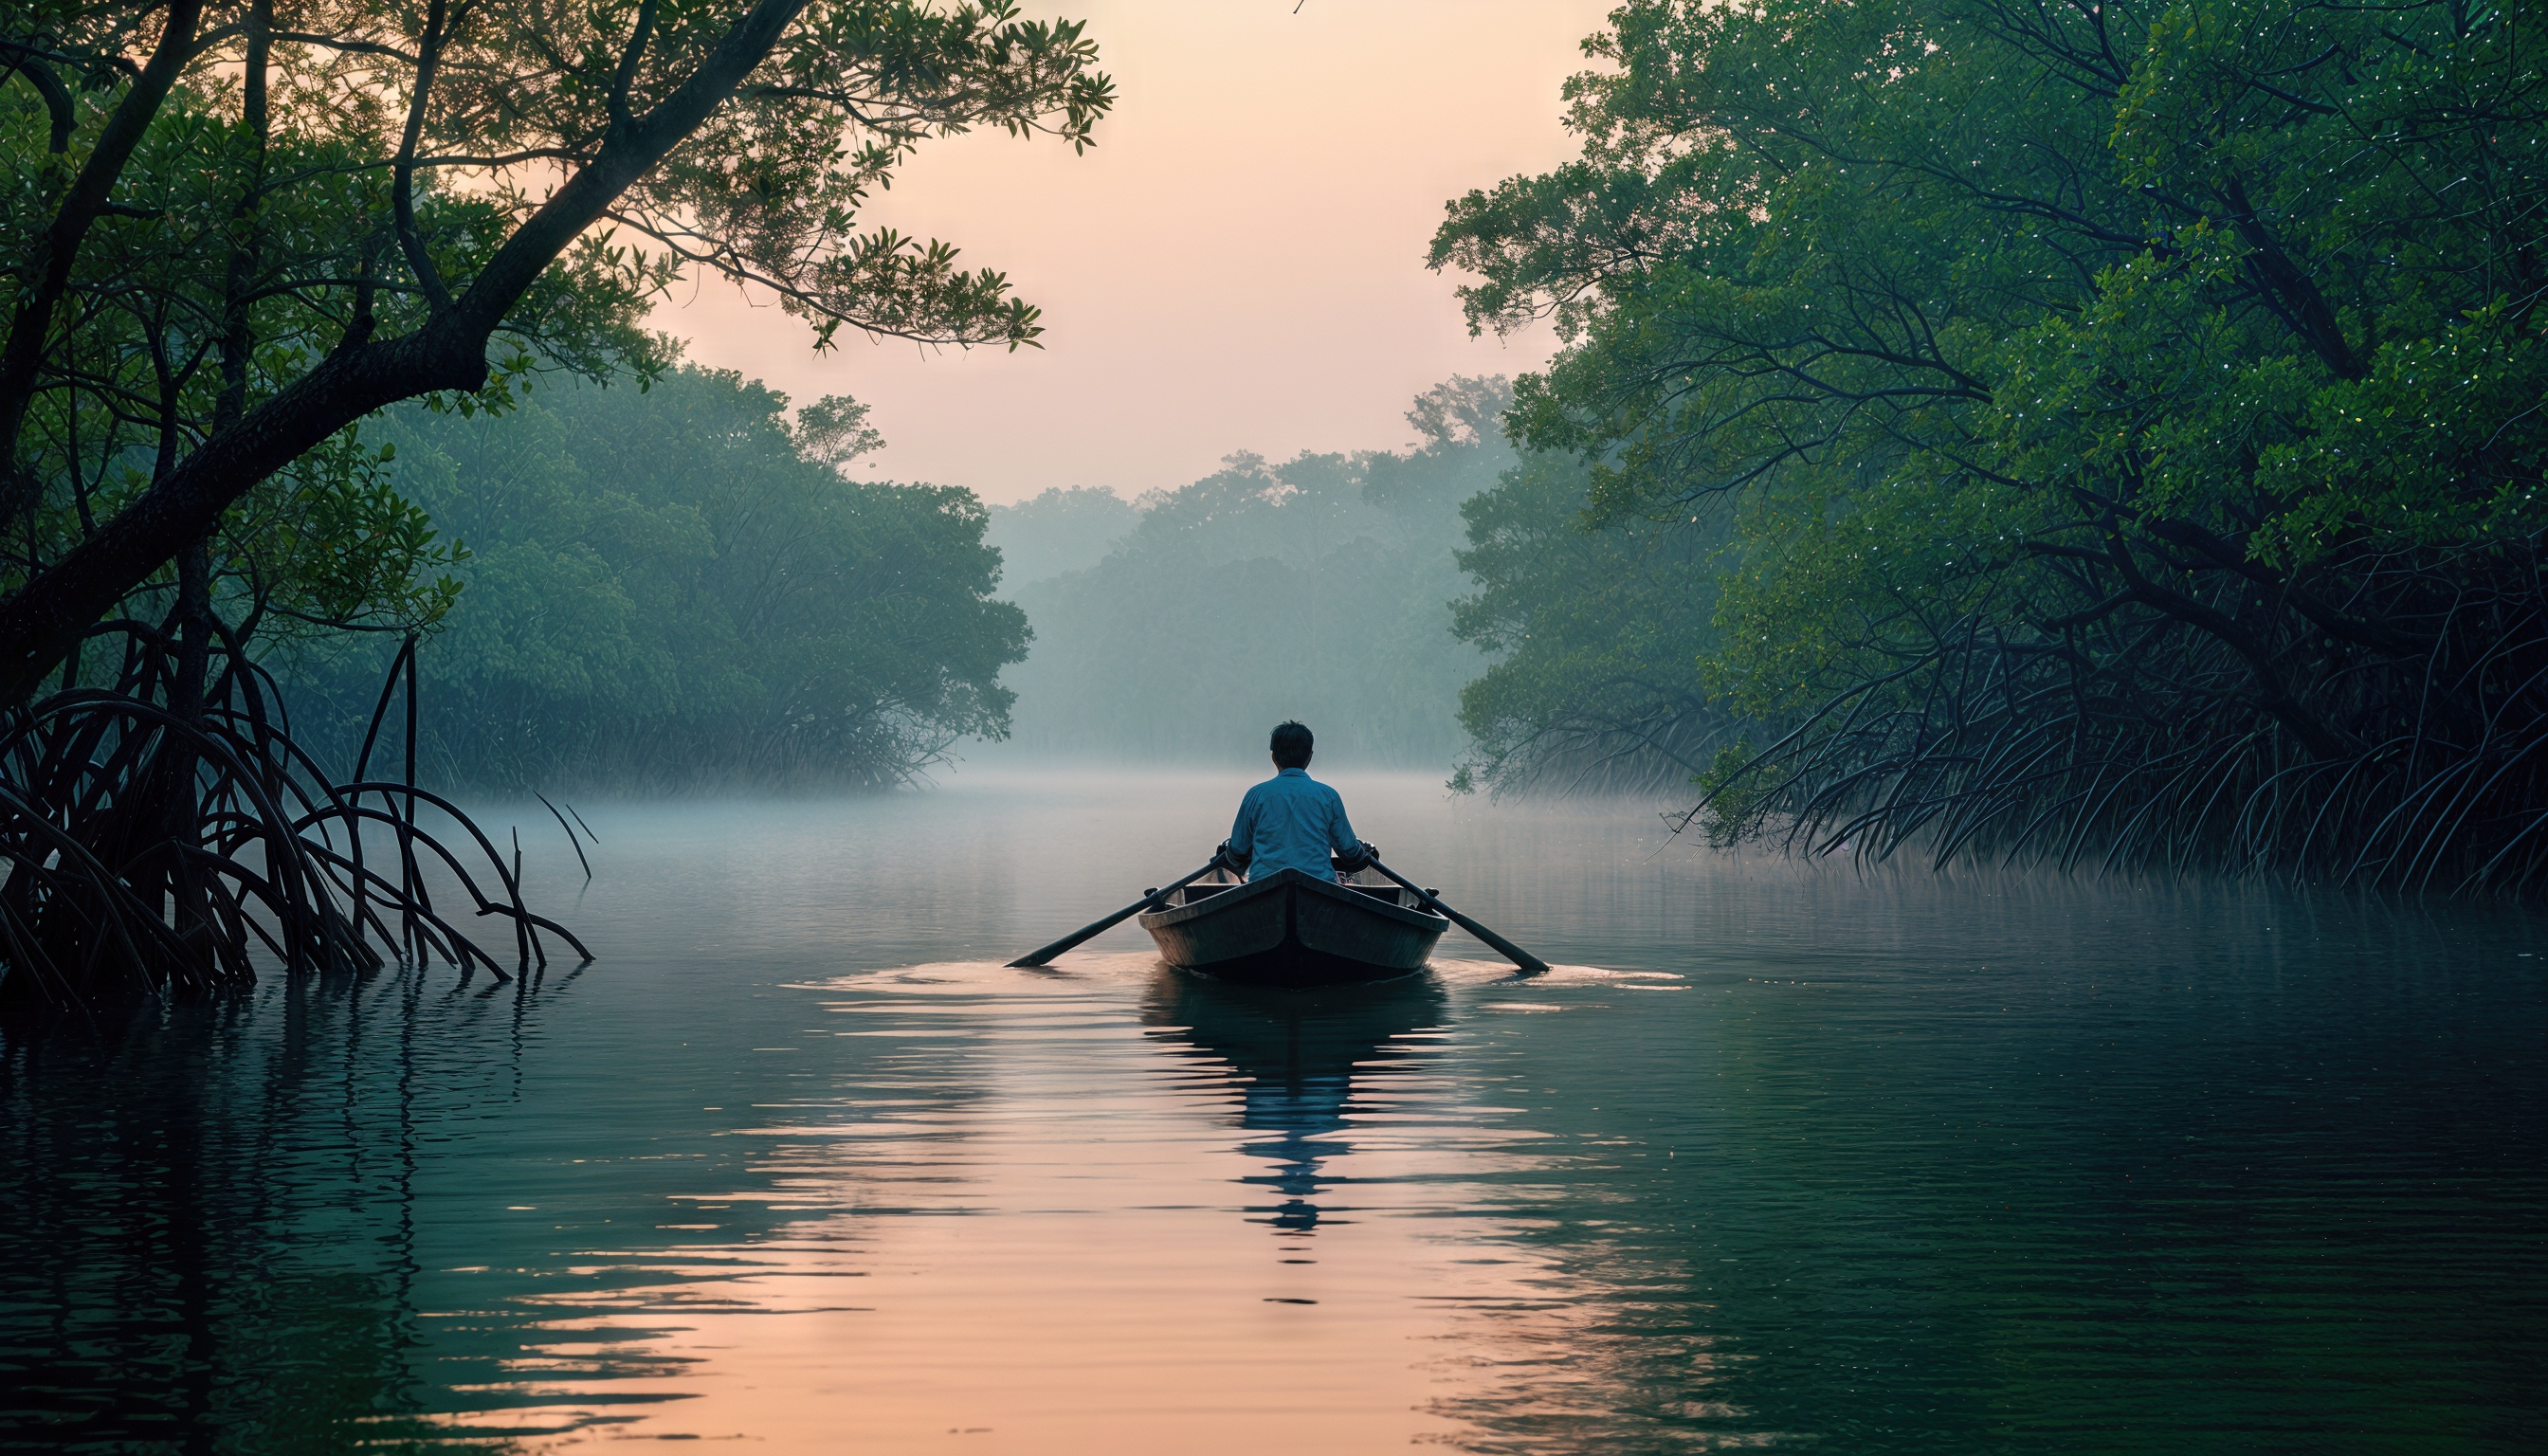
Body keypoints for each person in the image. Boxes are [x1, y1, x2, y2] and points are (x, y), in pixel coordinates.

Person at [1219, 720, 1375, 883]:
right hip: (1319, 888)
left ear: (1273, 757)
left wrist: (1226, 853)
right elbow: (1350, 854)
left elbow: (1237, 853)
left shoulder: (1255, 795)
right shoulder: (1329, 797)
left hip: (1264, 886)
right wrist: (1365, 854)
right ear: (1309, 757)